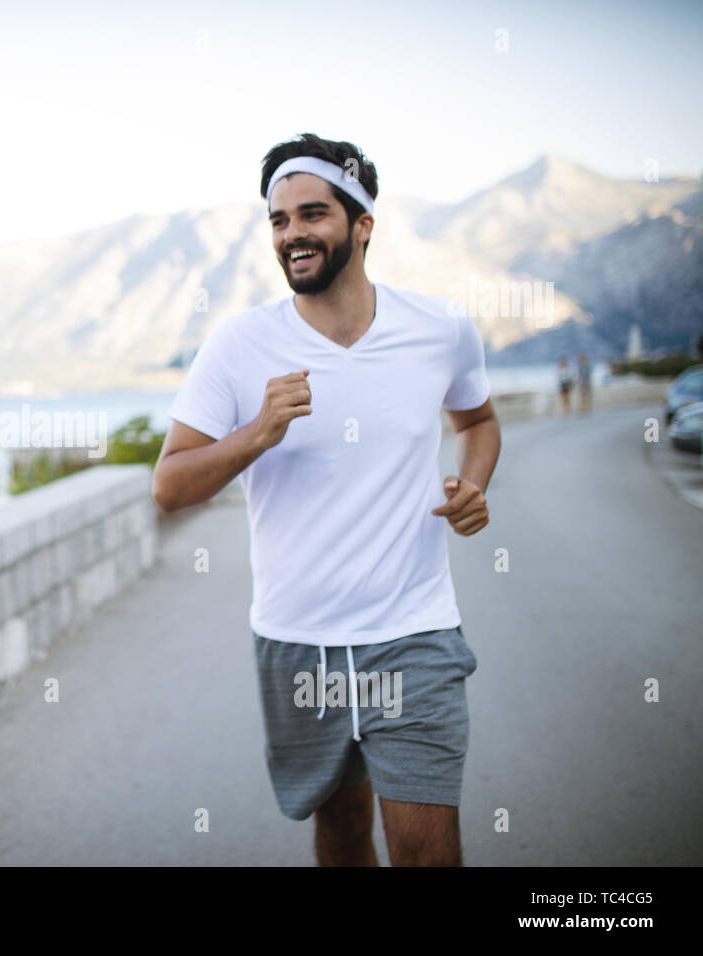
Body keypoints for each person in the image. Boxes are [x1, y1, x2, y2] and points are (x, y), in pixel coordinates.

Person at [153, 133, 501, 866]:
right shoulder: (239, 345)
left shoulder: (438, 329)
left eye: (312, 214)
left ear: (362, 224)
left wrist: (474, 483)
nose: (292, 235)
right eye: (278, 221)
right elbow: (170, 485)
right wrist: (256, 435)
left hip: (414, 631)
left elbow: (478, 420)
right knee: (341, 828)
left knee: (425, 847)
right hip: (296, 640)